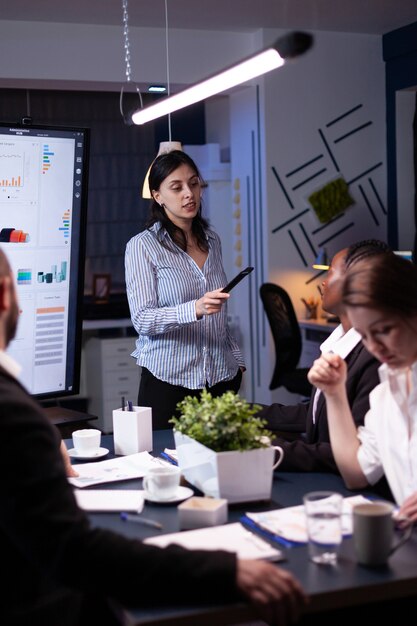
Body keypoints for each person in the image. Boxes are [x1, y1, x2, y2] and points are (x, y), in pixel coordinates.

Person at [0, 248, 306, 626]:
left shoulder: (16, 416)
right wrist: (225, 571)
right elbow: (76, 554)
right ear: (4, 295)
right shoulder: (13, 416)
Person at [125, 150, 245, 430]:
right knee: (166, 466)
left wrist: (237, 360)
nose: (188, 194)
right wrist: (194, 308)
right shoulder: (143, 246)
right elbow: (142, 319)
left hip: (220, 379)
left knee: (219, 466)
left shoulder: (212, 241)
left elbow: (219, 312)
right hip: (169, 382)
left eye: (193, 184)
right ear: (158, 196)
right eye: (176, 188)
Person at [258, 240, 390, 473]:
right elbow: (315, 415)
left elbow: (354, 454)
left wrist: (268, 450)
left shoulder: (374, 358)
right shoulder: (338, 343)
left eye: (330, 272)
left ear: (357, 283)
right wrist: (246, 414)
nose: (323, 283)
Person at [308, 252, 417, 521]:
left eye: (384, 330)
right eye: (365, 335)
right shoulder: (385, 394)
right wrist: (335, 393)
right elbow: (355, 473)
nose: (374, 347)